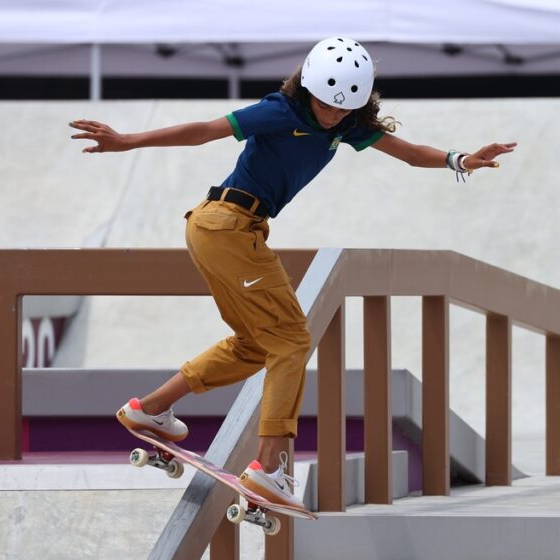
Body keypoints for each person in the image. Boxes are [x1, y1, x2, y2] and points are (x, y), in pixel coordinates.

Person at [70, 37, 516, 508]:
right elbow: (205, 129)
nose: (331, 115)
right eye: (325, 104)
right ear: (308, 88)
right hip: (227, 225)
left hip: (227, 229)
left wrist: (459, 160)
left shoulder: (348, 126)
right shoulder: (280, 110)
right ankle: (271, 466)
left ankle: (150, 410)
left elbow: (406, 152)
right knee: (292, 340)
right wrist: (126, 142)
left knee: (255, 345)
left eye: (343, 109)